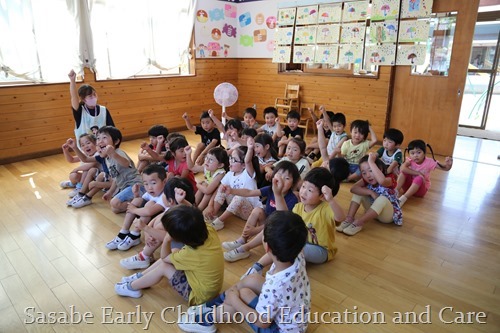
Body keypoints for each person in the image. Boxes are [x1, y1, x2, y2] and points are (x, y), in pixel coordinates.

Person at [177, 210, 310, 333]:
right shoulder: (298, 253)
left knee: (239, 297)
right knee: (251, 280)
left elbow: (263, 322)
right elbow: (278, 246)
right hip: (293, 317)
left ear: (267, 246)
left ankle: (206, 321)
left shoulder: (275, 286)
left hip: (279, 329)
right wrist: (258, 265)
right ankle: (212, 306)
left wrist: (235, 301)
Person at [241, 167, 346, 278]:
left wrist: (330, 199)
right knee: (276, 233)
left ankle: (277, 271)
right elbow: (285, 219)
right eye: (303, 187)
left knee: (291, 249)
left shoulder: (325, 208)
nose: (304, 192)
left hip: (322, 250)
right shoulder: (298, 207)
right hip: (300, 242)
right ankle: (255, 264)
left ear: (322, 195)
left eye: (310, 190)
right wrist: (278, 194)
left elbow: (340, 218)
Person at [115, 205, 224, 307]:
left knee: (165, 266)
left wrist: (167, 240)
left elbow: (164, 258)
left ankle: (132, 287)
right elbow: (190, 215)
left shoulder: (189, 254)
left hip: (199, 296)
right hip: (207, 286)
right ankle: (140, 277)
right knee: (170, 258)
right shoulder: (208, 230)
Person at [222, 161, 300, 262]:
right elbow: (250, 192)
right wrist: (232, 190)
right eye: (279, 175)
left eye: (287, 178)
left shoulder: (292, 199)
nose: (282, 180)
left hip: (277, 230)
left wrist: (255, 230)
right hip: (267, 223)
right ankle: (242, 240)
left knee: (272, 226)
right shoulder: (271, 189)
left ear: (293, 183)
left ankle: (244, 248)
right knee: (258, 210)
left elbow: (280, 223)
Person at [120, 177, 196, 270]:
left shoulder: (181, 216)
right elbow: (153, 221)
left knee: (160, 228)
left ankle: (143, 257)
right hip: (175, 241)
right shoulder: (172, 208)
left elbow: (168, 237)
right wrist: (148, 234)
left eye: (164, 193)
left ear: (171, 201)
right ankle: (147, 254)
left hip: (184, 247)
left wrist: (146, 229)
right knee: (158, 225)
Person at [67, 126, 143, 212]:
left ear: (116, 141)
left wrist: (113, 154)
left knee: (114, 203)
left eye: (104, 138)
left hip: (135, 185)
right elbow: (85, 159)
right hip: (123, 186)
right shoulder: (105, 157)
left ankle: (142, 203)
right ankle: (138, 202)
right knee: (115, 209)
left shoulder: (118, 152)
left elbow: (126, 163)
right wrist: (74, 147)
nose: (100, 141)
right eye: (98, 138)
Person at [337, 153, 403, 236]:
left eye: (371, 170)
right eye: (364, 173)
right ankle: (349, 218)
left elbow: (382, 181)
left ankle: (359, 222)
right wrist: (370, 192)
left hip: (387, 216)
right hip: (373, 213)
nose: (368, 175)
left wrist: (371, 162)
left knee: (382, 199)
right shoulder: (366, 180)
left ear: (380, 169)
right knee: (359, 192)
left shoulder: (389, 178)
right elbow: (353, 189)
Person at [203, 139, 262, 231]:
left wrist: (250, 149)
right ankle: (212, 215)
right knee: (222, 188)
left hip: (249, 212)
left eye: (234, 160)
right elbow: (218, 191)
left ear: (243, 165)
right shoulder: (230, 174)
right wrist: (210, 205)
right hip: (234, 209)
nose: (230, 161)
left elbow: (248, 161)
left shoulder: (248, 174)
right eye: (230, 158)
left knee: (239, 197)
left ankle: (219, 221)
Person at [105, 164, 168, 250]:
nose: (149, 187)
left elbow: (149, 212)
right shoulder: (151, 192)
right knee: (136, 201)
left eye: (153, 183)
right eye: (146, 184)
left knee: (149, 205)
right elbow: (139, 202)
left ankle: (135, 234)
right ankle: (124, 231)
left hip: (162, 222)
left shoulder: (165, 195)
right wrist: (136, 195)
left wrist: (134, 210)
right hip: (150, 217)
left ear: (164, 182)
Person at [396, 139, 453, 206]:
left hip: (420, 191)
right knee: (404, 172)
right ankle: (394, 192)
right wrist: (418, 173)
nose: (415, 155)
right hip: (408, 188)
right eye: (412, 153)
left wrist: (448, 165)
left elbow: (445, 168)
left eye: (419, 152)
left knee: (419, 178)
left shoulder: (429, 162)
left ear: (424, 153)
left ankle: (402, 199)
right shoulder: (409, 160)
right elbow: (402, 168)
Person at [68, 69, 114, 147]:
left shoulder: (103, 110)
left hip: (102, 149)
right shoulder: (80, 111)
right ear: (83, 99)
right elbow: (74, 97)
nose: (93, 97)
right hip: (86, 151)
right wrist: (72, 81)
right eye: (90, 96)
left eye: (94, 94)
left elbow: (112, 130)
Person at [186, 146, 229, 211]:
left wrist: (198, 185)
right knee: (204, 186)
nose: (207, 161)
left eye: (211, 160)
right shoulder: (208, 168)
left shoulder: (220, 174)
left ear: (220, 165)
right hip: (209, 192)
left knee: (207, 191)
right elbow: (191, 167)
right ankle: (193, 206)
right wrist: (188, 154)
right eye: (207, 158)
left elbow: (208, 191)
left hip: (220, 201)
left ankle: (198, 210)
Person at [59, 133, 98, 197]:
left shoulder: (98, 153)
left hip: (96, 178)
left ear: (95, 143)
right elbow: (71, 160)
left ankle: (80, 187)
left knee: (86, 170)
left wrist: (76, 169)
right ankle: (72, 184)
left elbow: (89, 165)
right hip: (87, 179)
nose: (86, 146)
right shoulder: (85, 154)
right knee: (73, 175)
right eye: (82, 145)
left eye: (88, 143)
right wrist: (65, 151)